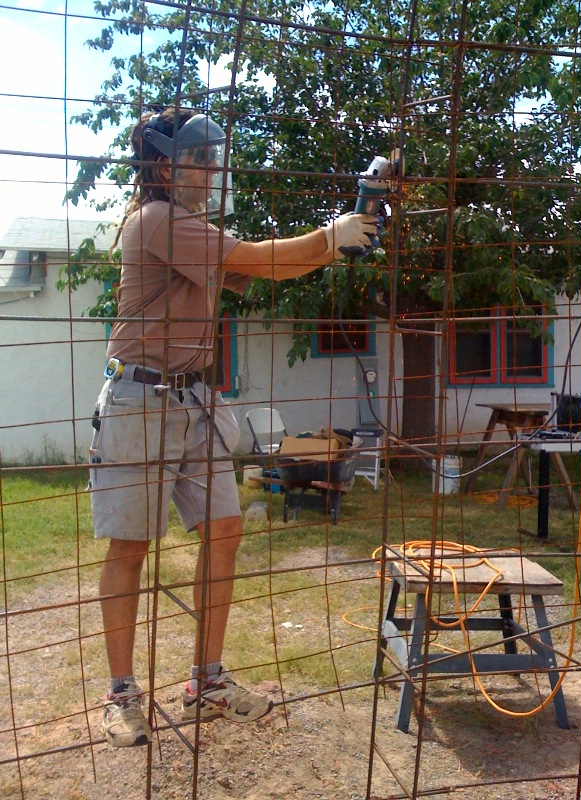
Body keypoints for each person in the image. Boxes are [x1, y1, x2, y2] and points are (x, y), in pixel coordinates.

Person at [90, 105, 379, 747]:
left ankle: (209, 681)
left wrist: (339, 241)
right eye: (199, 157)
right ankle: (119, 694)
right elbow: (261, 255)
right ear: (164, 166)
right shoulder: (160, 220)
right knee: (130, 547)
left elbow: (271, 266)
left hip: (195, 400)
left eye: (212, 155)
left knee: (224, 529)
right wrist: (338, 234)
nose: (212, 166)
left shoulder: (189, 227)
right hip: (142, 401)